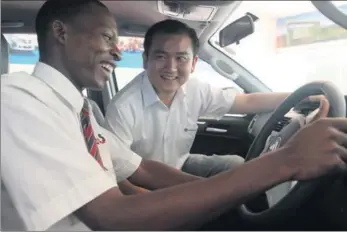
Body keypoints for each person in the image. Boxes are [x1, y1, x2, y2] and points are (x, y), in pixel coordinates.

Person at [1, 0, 346, 231]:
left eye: (117, 40)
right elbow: (113, 215)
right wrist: (286, 161)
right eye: (108, 37)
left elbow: (143, 169)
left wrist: (228, 195)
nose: (118, 53)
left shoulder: (82, 111)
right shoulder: (17, 100)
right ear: (61, 33)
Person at [104, 19, 325, 177]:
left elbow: (246, 102)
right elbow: (117, 175)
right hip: (140, 176)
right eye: (161, 56)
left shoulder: (195, 90)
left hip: (179, 164)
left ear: (193, 63)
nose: (170, 68)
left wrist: (303, 96)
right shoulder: (124, 107)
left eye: (181, 58)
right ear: (145, 60)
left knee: (238, 165)